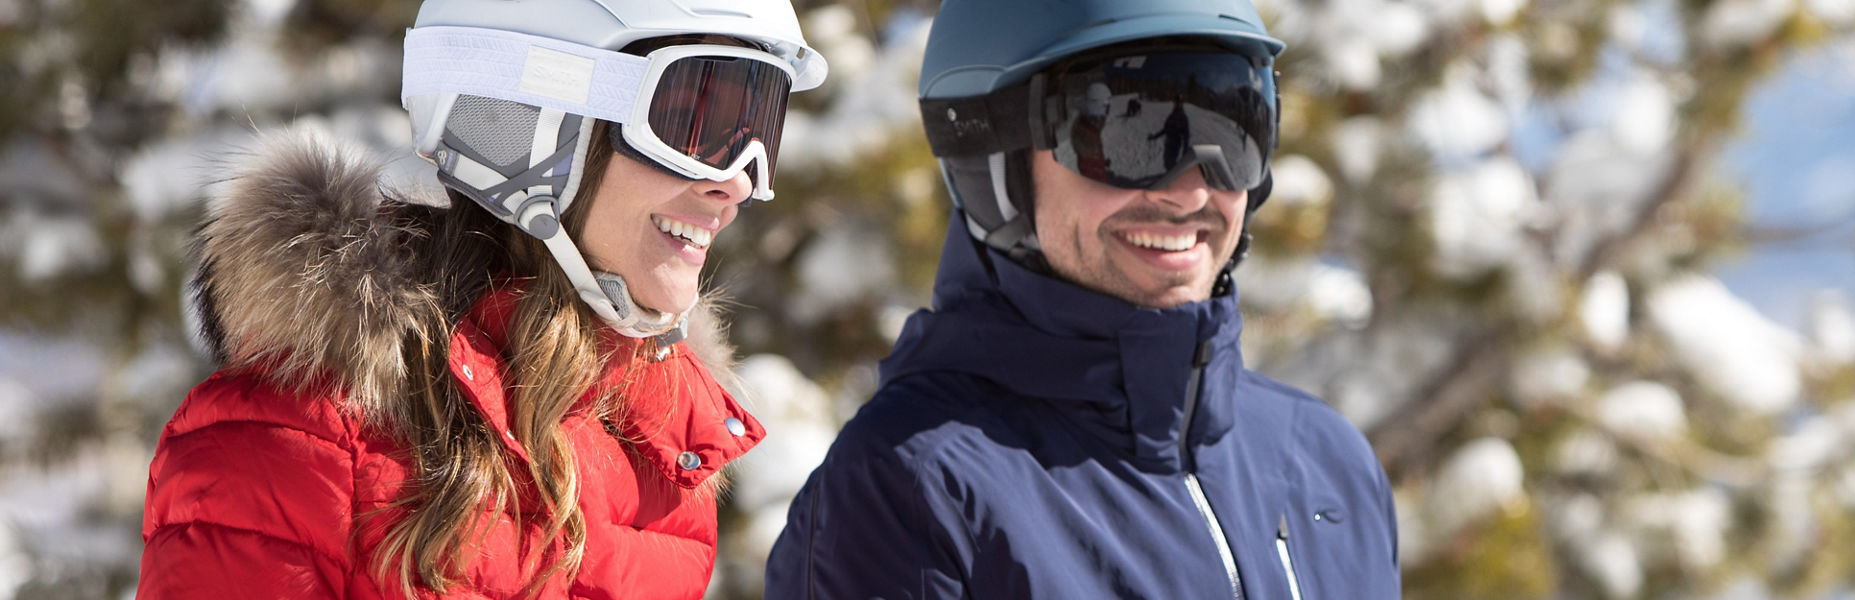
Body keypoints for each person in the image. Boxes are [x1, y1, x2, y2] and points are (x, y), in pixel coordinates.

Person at [140, 0, 823, 596]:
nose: (736, 184)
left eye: (758, 127)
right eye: (697, 118)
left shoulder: (661, 461)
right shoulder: (305, 444)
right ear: (530, 117)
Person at [762, 0, 1399, 598]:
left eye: (1233, 128)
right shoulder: (915, 488)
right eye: (1132, 131)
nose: (1189, 192)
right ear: (993, 159)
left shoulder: (1325, 461)